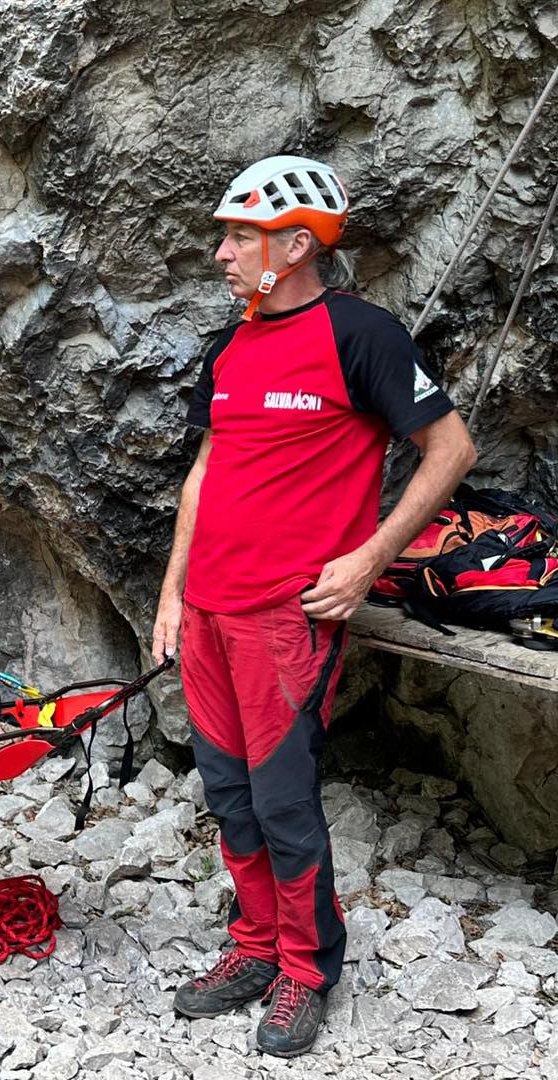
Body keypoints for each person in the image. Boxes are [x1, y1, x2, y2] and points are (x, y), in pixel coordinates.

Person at [150, 156, 476, 1057]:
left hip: (285, 617)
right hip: (208, 611)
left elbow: (451, 449)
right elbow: (205, 473)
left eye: (239, 237)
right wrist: (172, 594)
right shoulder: (229, 347)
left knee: (283, 800)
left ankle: (305, 968)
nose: (222, 254)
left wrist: (370, 559)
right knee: (229, 795)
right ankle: (254, 946)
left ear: (295, 245)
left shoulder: (362, 335)